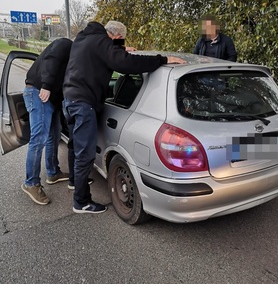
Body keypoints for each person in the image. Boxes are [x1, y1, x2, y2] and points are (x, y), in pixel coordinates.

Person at [63, 20, 186, 214]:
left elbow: (107, 55)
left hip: (70, 99)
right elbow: (125, 63)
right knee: (85, 154)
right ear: (117, 37)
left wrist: (119, 50)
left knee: (76, 147)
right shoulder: (101, 42)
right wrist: (162, 60)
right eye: (120, 42)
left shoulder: (86, 39)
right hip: (83, 103)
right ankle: (81, 202)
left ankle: (74, 182)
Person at [21, 38, 73, 205]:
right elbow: (52, 59)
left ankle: (53, 173)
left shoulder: (75, 56)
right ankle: (31, 183)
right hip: (38, 92)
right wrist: (47, 85)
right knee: (39, 139)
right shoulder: (65, 44)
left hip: (50, 99)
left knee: (54, 136)